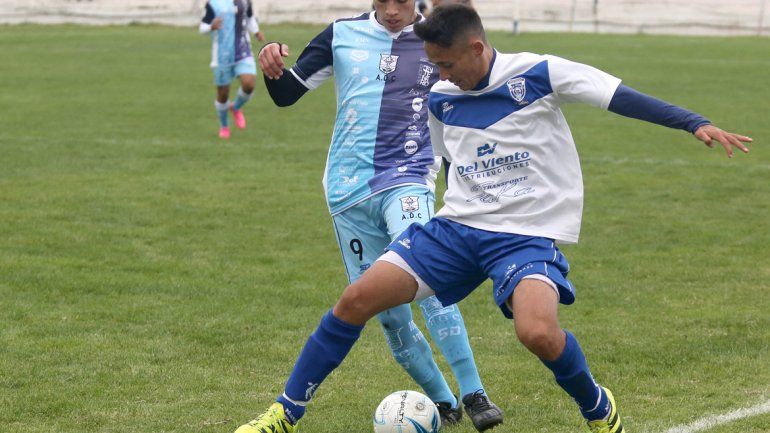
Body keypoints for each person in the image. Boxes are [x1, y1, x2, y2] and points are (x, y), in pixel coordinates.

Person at [235, 4, 753, 433]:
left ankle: (598, 408)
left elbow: (617, 96)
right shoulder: (442, 97)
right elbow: (443, 161)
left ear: (477, 49)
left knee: (537, 333)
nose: (437, 77)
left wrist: (694, 123)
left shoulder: (539, 72)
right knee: (356, 300)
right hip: (458, 229)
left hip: (524, 237)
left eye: (444, 65)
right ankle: (285, 412)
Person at [245, 0, 503, 432]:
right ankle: (442, 400)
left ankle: (474, 392)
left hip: (408, 178)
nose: (391, 10)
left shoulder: (437, 39)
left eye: (401, 1)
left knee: (428, 281)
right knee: (388, 313)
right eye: (382, 0)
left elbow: (478, 88)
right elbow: (287, 93)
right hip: (347, 191)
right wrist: (271, 61)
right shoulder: (341, 34)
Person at [199, 0, 265, 139]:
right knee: (223, 94)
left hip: (243, 51)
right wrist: (212, 26)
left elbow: (249, 17)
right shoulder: (213, 3)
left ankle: (235, 107)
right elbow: (202, 27)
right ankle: (224, 126)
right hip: (222, 56)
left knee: (249, 84)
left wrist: (256, 31)